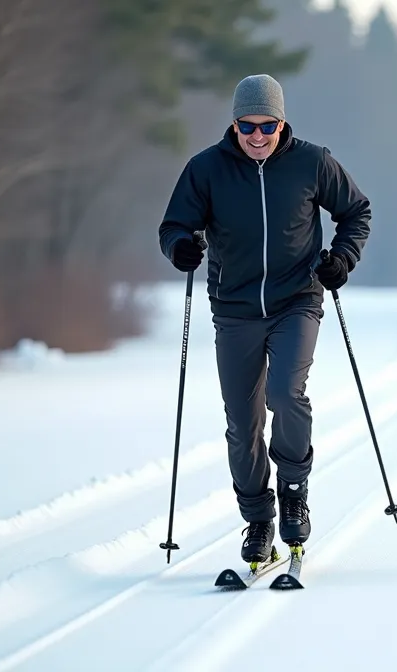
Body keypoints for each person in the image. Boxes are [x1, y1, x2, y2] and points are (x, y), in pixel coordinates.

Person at [158, 74, 372, 567]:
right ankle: (258, 522)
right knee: (243, 422)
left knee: (285, 394)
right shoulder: (206, 169)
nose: (257, 136)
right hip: (234, 311)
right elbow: (174, 225)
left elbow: (356, 212)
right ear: (234, 124)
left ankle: (293, 489)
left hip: (297, 300)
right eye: (247, 126)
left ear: (282, 123)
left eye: (267, 126)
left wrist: (340, 259)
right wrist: (181, 247)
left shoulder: (312, 162)